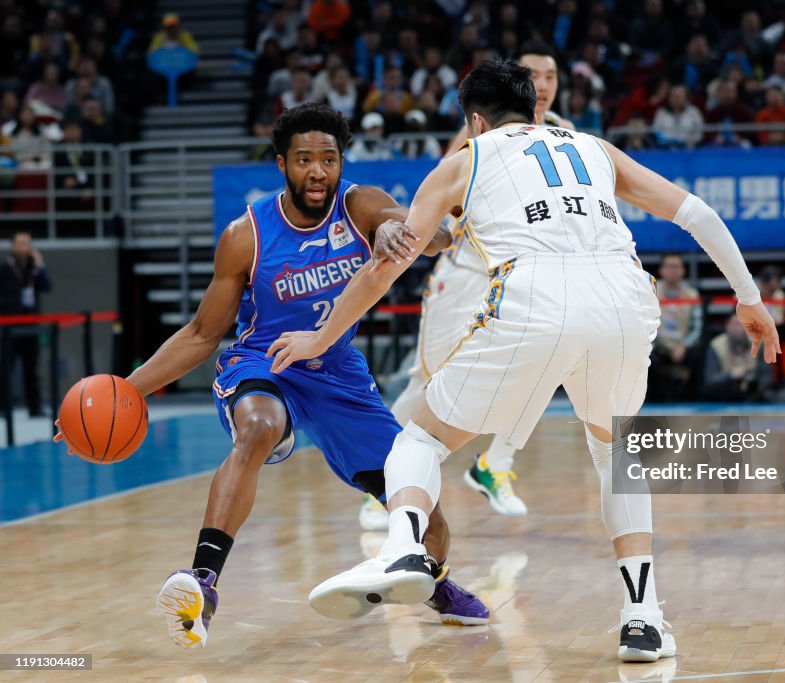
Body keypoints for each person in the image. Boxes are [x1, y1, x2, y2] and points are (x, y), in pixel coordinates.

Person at [266, 58, 780, 663]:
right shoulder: (595, 149)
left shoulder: (464, 160)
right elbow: (697, 215)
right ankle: (641, 619)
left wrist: (321, 337)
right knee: (616, 451)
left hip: (533, 299)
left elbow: (388, 265)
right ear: (534, 106)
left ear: (476, 120)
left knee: (421, 441)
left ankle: (405, 546)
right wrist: (750, 300)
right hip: (624, 298)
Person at [54, 103, 486, 649]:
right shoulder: (247, 235)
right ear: (282, 163)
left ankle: (436, 584)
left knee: (429, 515)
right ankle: (203, 582)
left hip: (336, 371)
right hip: (264, 361)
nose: (317, 171)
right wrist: (122, 393)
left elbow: (415, 228)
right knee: (258, 425)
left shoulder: (359, 205)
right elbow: (201, 333)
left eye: (328, 159)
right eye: (304, 159)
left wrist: (402, 235)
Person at [386, 42, 577, 521]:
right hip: (469, 272)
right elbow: (439, 193)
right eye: (536, 75)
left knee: (543, 368)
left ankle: (495, 464)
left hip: (526, 277)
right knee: (427, 383)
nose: (546, 83)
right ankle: (380, 478)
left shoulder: (566, 135)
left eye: (552, 75)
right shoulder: (478, 133)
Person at [0, 231, 52, 416]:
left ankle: (35, 408)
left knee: (32, 368)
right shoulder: (5, 268)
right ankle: (4, 409)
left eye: (27, 244)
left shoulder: (33, 269)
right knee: (6, 367)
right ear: (13, 246)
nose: (24, 248)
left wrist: (40, 267)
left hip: (31, 324)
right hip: (10, 326)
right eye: (20, 244)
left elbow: (47, 287)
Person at [648, 254, 702, 401]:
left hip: (683, 346)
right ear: (662, 270)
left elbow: (697, 328)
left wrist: (684, 346)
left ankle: (692, 401)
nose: (673, 270)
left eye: (676, 267)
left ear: (683, 271)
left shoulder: (692, 294)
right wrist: (664, 345)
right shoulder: (651, 292)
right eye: (669, 266)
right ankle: (654, 402)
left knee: (699, 356)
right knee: (647, 357)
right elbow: (645, 322)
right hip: (658, 345)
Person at [701, 314, 773, 402]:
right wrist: (731, 375)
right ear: (727, 326)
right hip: (724, 393)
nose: (740, 329)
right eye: (736, 324)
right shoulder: (716, 346)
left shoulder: (758, 344)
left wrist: (752, 381)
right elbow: (711, 379)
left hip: (753, 394)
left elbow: (767, 376)